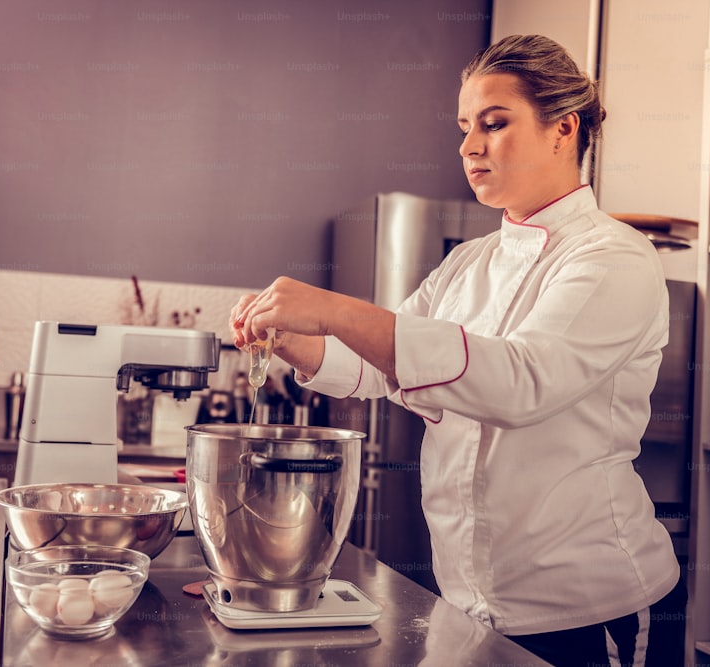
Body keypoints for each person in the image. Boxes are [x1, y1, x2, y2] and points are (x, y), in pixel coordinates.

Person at [229, 34, 686, 667]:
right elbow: (379, 366)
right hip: (469, 597)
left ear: (563, 129)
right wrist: (294, 342)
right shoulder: (468, 263)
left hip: (588, 602)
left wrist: (334, 307)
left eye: (495, 124)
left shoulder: (613, 257)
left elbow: (520, 384)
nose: (470, 147)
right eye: (465, 128)